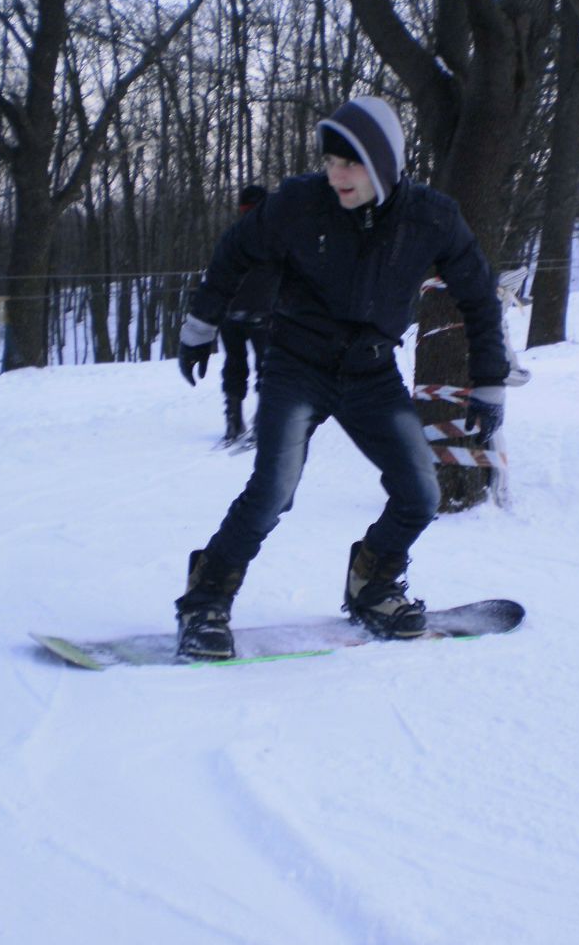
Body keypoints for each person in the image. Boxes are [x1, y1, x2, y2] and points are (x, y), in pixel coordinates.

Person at [175, 95, 510, 661]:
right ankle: (205, 601)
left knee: (420, 491)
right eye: (330, 162)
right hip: (296, 365)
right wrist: (201, 322)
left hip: (371, 371)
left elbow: (478, 296)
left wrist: (488, 381)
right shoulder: (299, 204)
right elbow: (236, 249)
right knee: (273, 492)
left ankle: (372, 586)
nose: (336, 175)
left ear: (383, 162)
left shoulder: (431, 217)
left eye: (350, 163)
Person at [217, 184, 278, 445]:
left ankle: (233, 421)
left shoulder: (232, 235)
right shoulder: (275, 237)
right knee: (266, 367)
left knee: (234, 363)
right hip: (264, 312)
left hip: (230, 311)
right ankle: (261, 424)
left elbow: (217, 273)